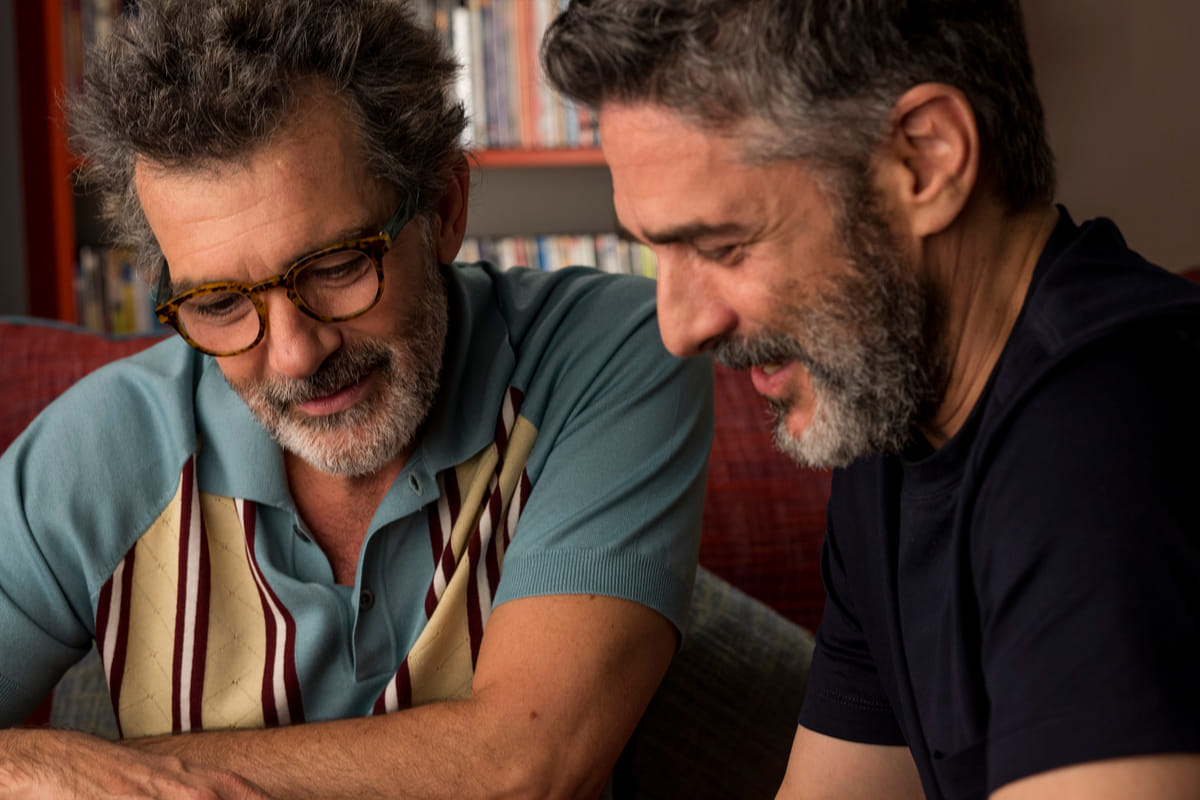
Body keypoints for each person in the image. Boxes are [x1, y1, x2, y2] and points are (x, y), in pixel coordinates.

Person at [0, 0, 714, 797]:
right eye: (220, 303)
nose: (295, 353)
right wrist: (49, 766)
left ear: (444, 208)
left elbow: (528, 764)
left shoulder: (611, 354)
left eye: (337, 267)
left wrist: (131, 780)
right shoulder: (98, 447)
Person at [542, 1, 1200, 798]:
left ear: (925, 160)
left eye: (722, 246)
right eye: (657, 254)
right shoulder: (891, 417)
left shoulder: (1106, 443)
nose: (678, 330)